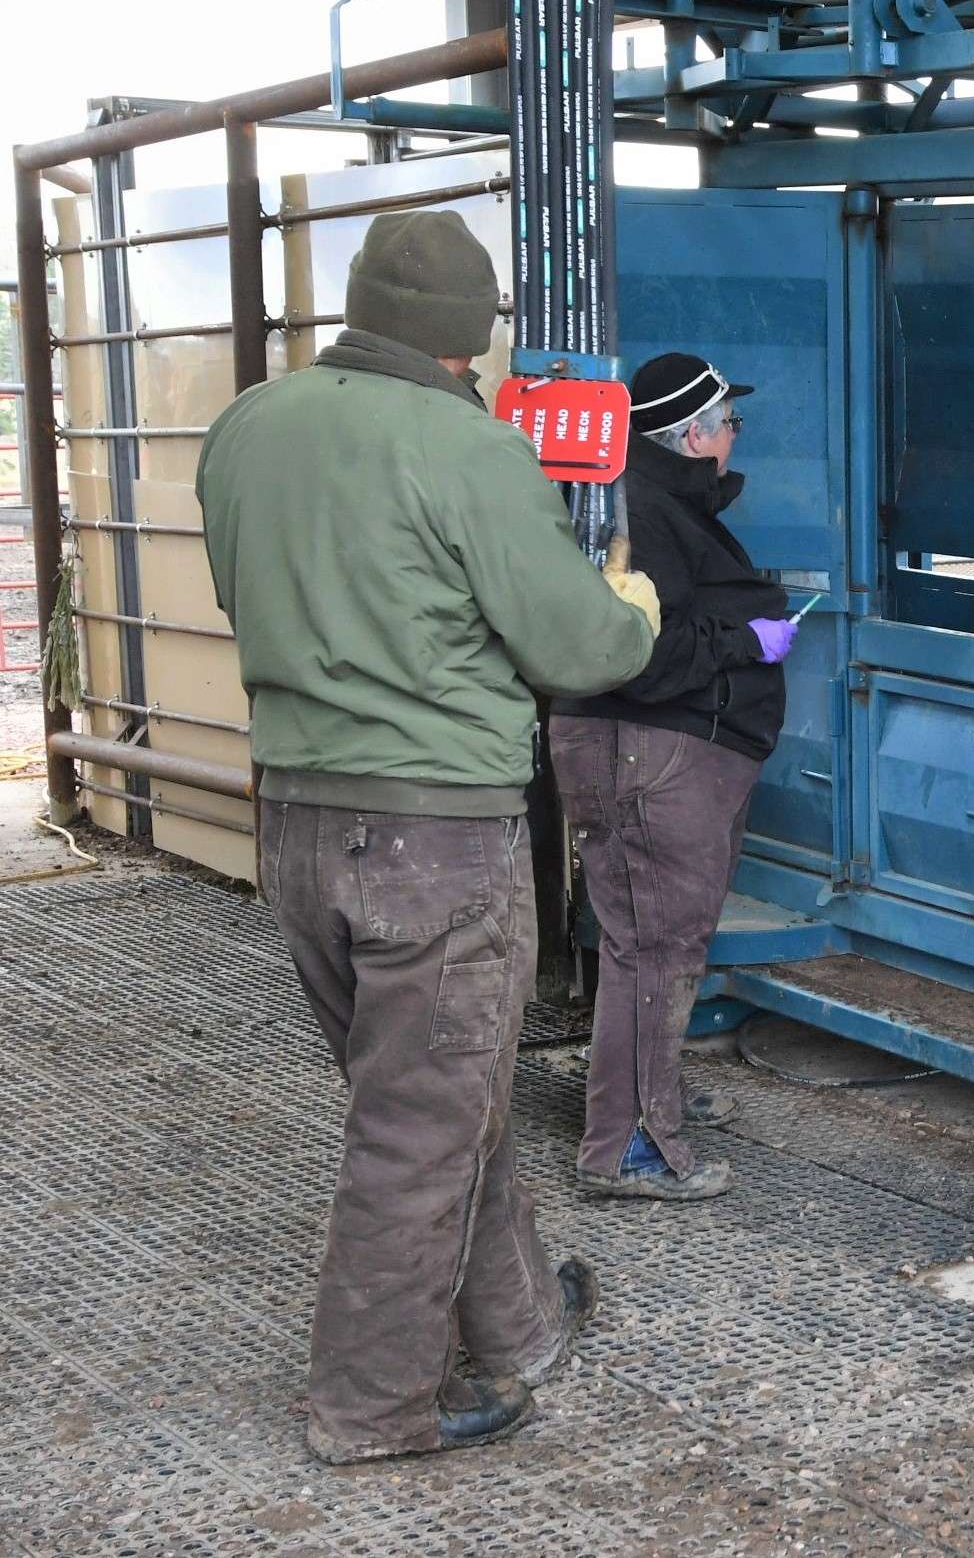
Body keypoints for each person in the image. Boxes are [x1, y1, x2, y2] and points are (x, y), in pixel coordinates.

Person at [198, 211, 663, 1465]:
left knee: (442, 1094)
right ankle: (370, 1405)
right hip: (434, 838)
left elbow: (251, 590)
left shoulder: (248, 423)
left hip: (293, 819)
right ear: (471, 343)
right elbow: (577, 647)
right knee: (417, 1127)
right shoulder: (469, 447)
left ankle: (516, 1320)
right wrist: (628, 599)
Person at [551, 352, 798, 1202]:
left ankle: (645, 1100)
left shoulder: (637, 498)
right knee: (653, 948)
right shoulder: (645, 512)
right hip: (650, 748)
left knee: (648, 943)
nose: (734, 438)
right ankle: (628, 1146)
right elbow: (640, 657)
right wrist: (748, 641)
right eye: (729, 422)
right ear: (692, 434)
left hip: (645, 750)